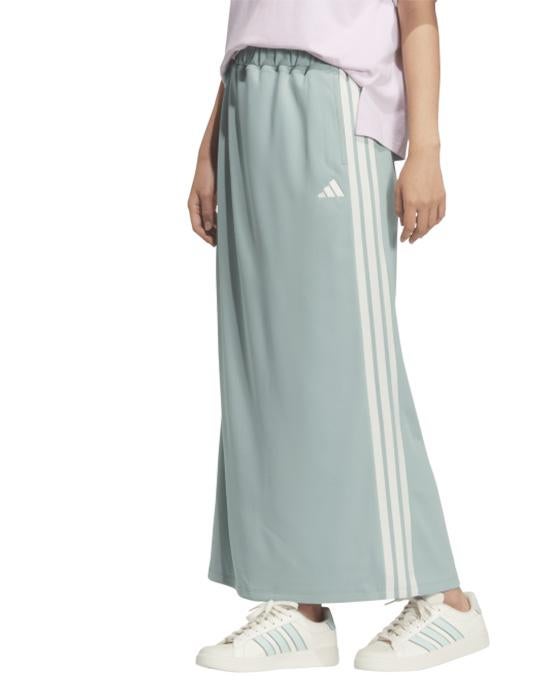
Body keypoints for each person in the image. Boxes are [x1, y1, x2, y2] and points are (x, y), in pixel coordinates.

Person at [188, 0, 489, 672]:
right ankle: (299, 604)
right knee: (265, 367)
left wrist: (426, 147)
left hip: (333, 106)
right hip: (247, 102)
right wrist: (212, 142)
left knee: (348, 360)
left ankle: (444, 599)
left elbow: (417, 16)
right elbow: (255, 26)